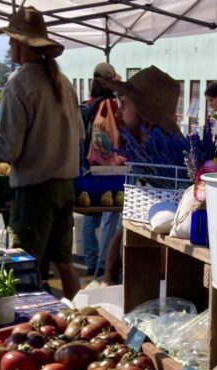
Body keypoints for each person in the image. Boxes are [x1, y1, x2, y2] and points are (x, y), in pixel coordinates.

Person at [0, 7, 83, 299]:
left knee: (22, 265)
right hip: (65, 187)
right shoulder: (64, 83)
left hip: (35, 191)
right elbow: (79, 135)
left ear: (20, 45)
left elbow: (8, 149)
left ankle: (26, 327)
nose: (9, 47)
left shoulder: (20, 83)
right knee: (64, 262)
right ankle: (76, 320)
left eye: (10, 42)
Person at [98, 66, 182, 286]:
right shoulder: (141, 157)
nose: (118, 112)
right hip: (134, 280)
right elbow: (124, 227)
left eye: (124, 104)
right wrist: (108, 276)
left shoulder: (177, 166)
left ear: (145, 112)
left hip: (159, 284)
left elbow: (169, 242)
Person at [80, 62, 123, 281]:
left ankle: (90, 261)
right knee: (110, 215)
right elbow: (119, 133)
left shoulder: (89, 103)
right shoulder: (109, 105)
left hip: (89, 165)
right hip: (108, 167)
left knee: (90, 214)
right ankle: (105, 263)